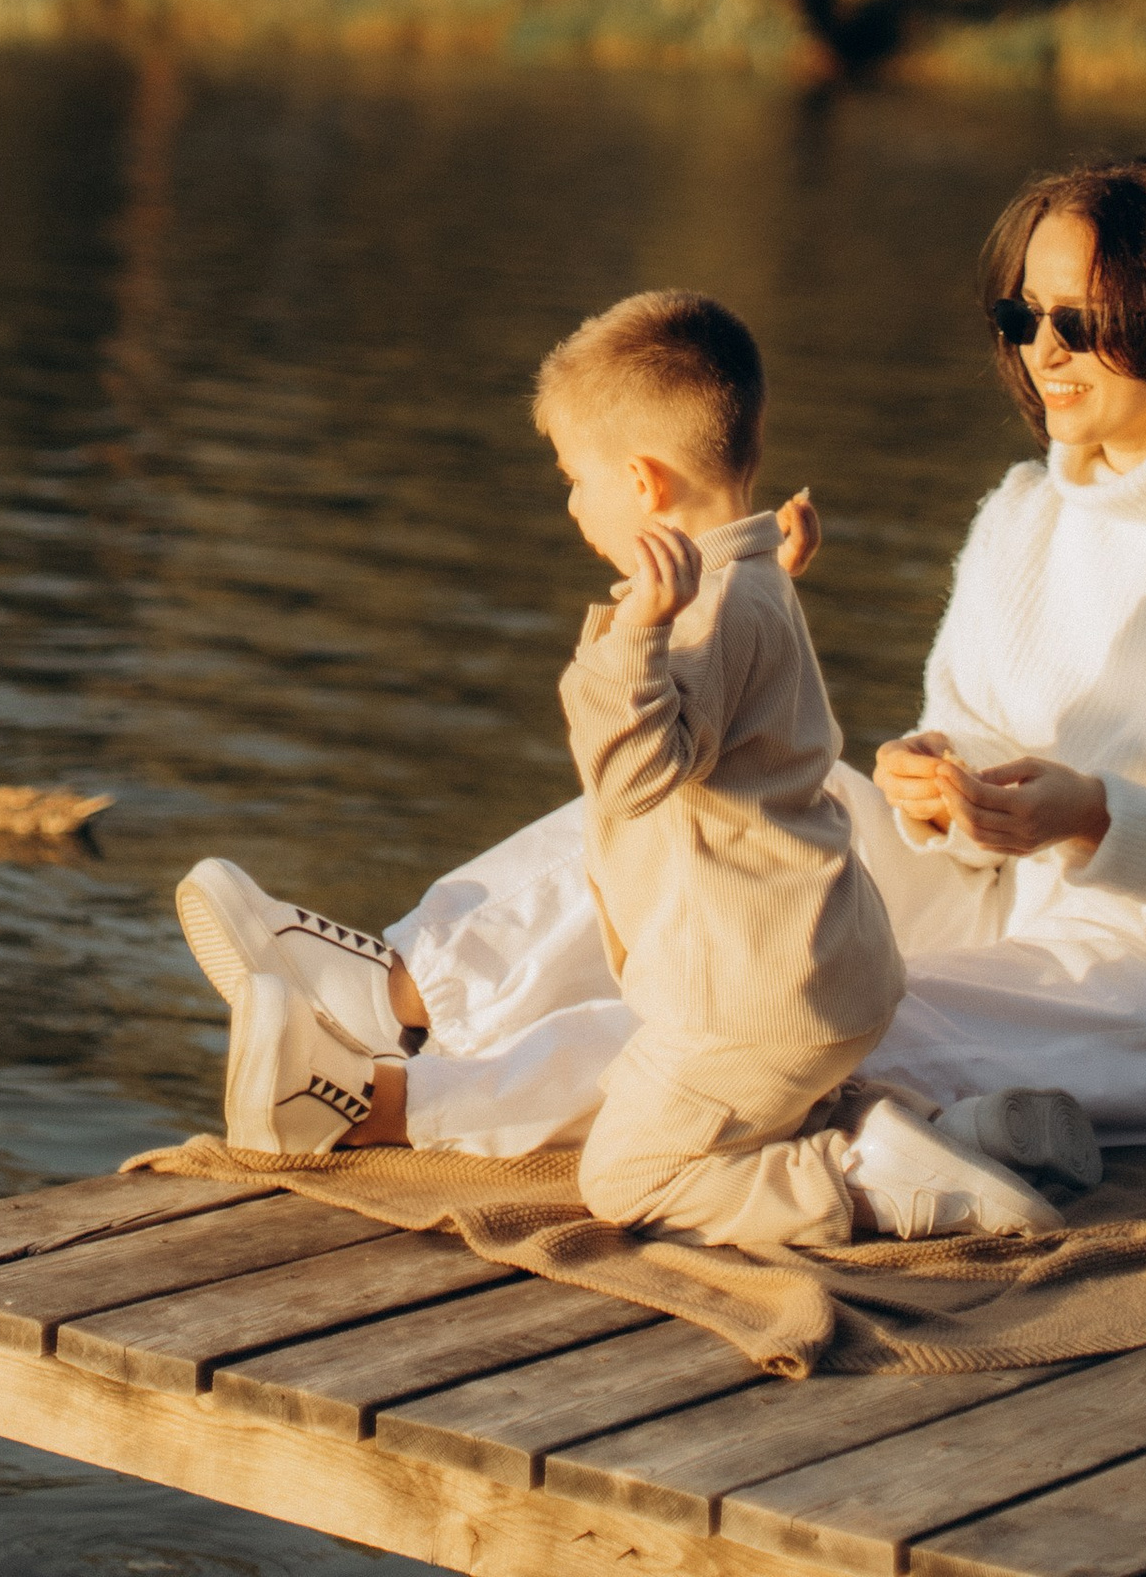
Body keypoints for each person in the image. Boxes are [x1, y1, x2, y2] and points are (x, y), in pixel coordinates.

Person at [181, 161, 1146, 1233]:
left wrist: (1085, 815)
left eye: (1078, 322)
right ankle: (391, 986)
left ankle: (387, 1105)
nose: (1041, 351)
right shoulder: (1023, 512)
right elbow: (971, 736)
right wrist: (934, 776)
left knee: (763, 1022)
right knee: (728, 815)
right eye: (1020, 314)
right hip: (1000, 888)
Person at [181, 288, 1061, 1241]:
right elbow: (738, 671)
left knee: (629, 1172)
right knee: (664, 1089)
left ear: (642, 487)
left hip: (756, 1004)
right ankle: (950, 1131)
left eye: (573, 476)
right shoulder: (749, 575)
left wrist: (632, 635)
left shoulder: (700, 617)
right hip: (809, 974)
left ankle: (859, 1178)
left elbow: (634, 773)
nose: (571, 499)